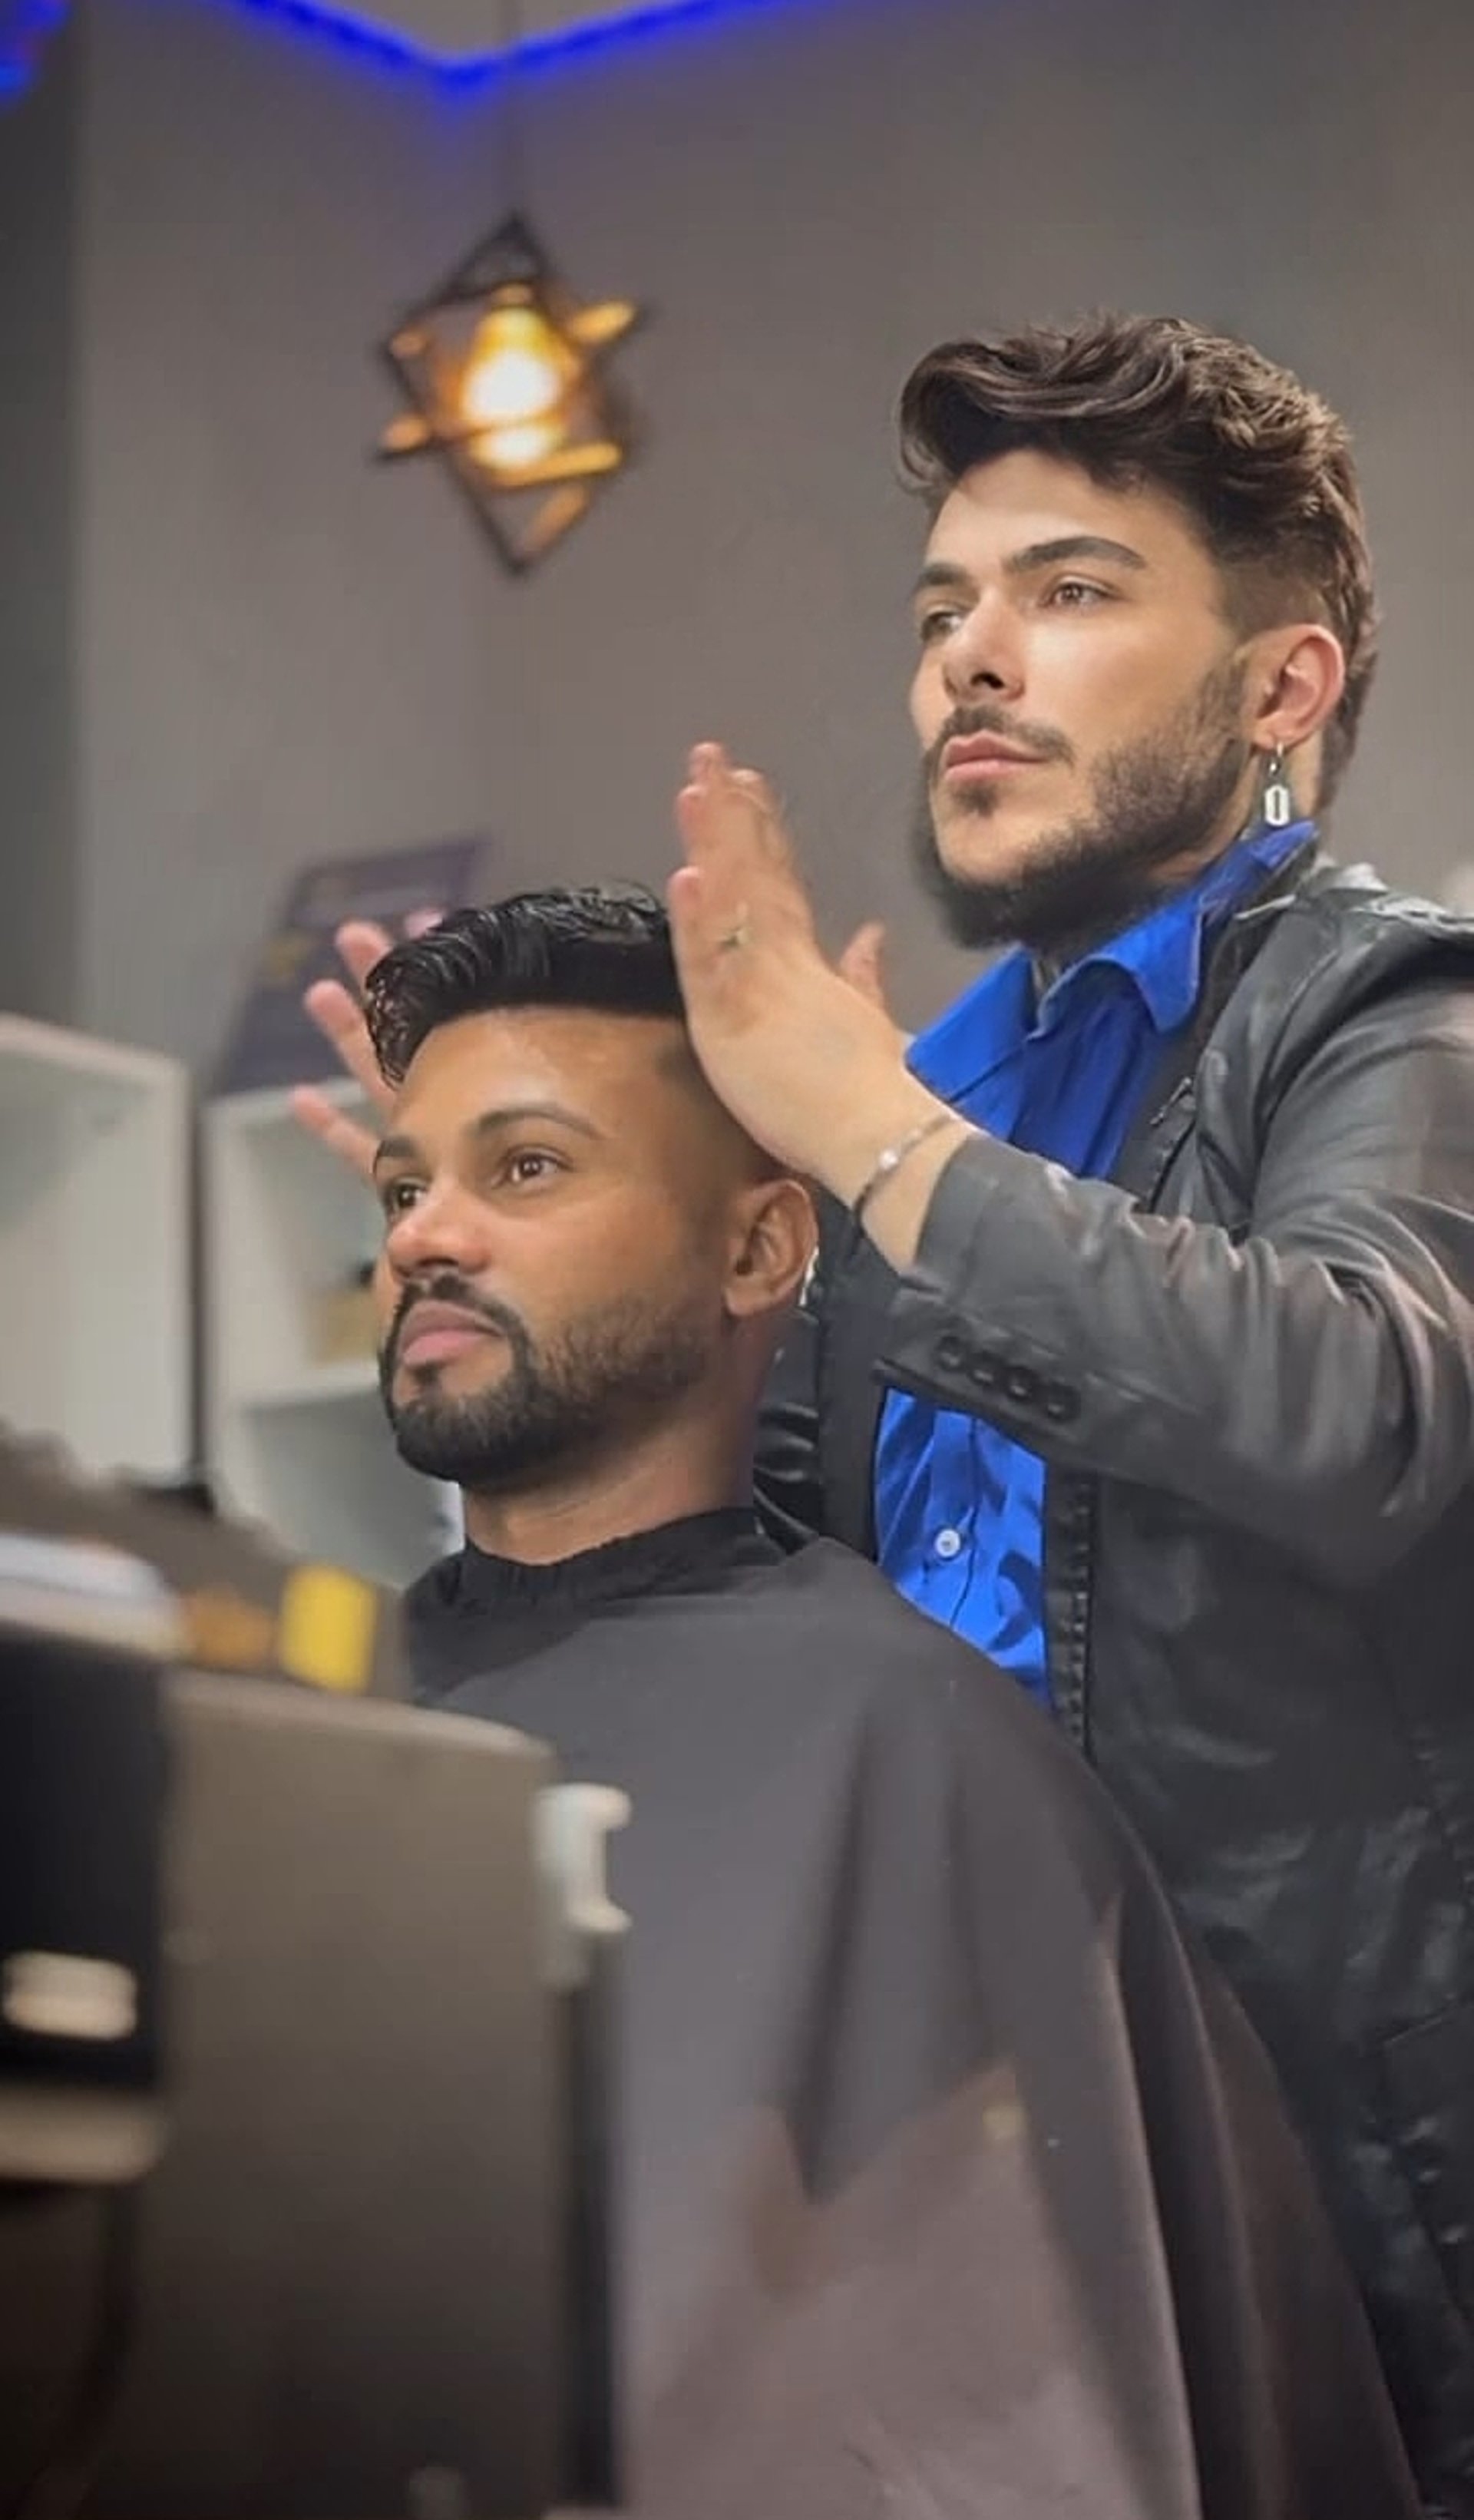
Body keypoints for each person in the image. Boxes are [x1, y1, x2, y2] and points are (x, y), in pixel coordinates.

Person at [292, 315, 1474, 2506]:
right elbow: (761, 1545)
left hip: (1343, 2176)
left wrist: (865, 1141)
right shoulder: (932, 1094)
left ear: (1284, 688)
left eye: (1072, 592)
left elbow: (1367, 1410)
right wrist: (525, 1234)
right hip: (966, 2076)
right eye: (946, 609)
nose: (972, 660)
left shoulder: (1394, 1006)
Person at [354, 881, 1414, 2520]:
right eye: (404, 1183)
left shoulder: (917, 1762)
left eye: (529, 1167)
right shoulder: (311, 1731)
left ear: (764, 1245)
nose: (425, 1231)